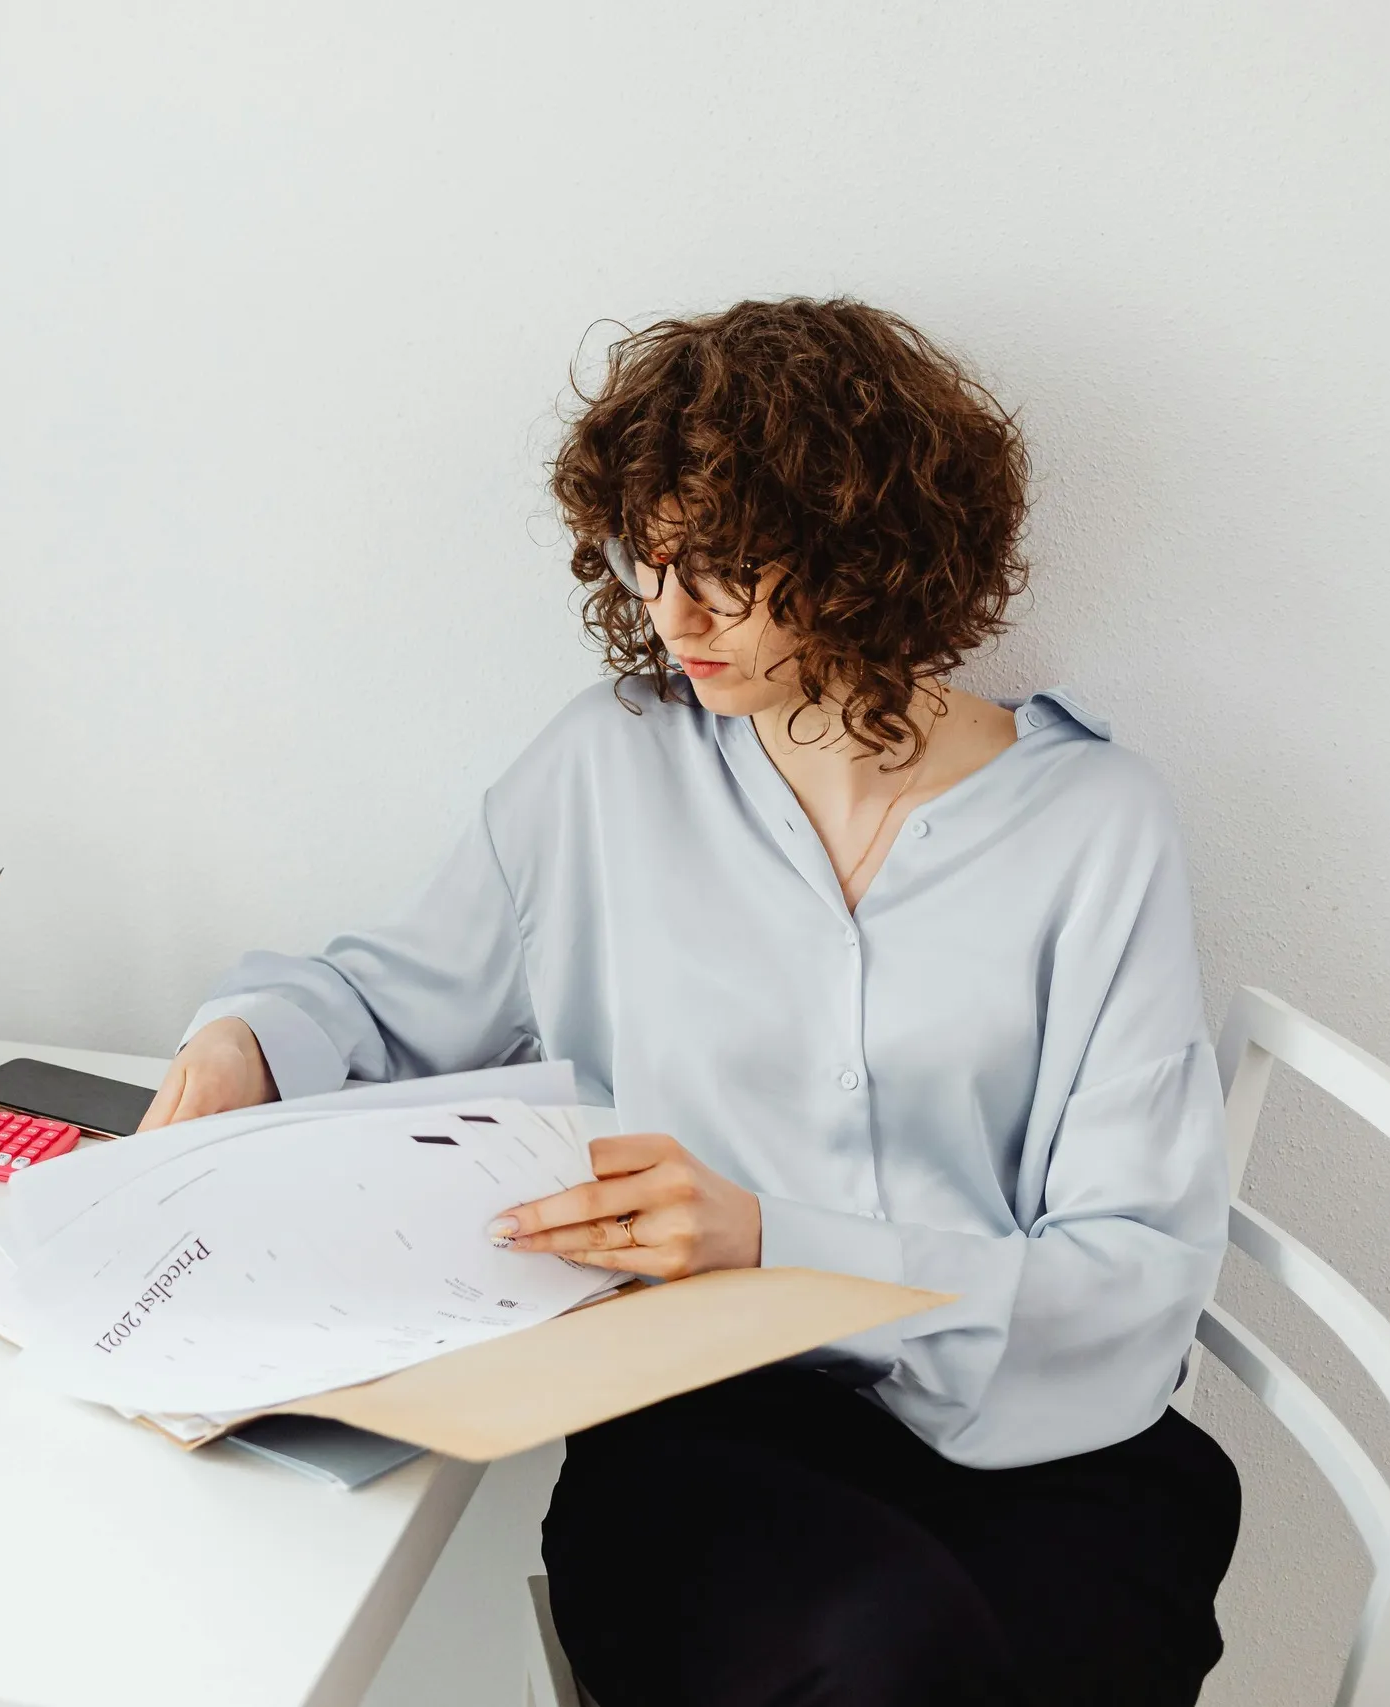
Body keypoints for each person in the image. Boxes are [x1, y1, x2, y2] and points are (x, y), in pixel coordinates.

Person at [138, 298, 1241, 1706]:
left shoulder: (1094, 823)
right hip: (700, 1434)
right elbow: (382, 996)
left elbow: (1136, 1274)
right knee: (892, 1657)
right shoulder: (608, 769)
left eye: (724, 565)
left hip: (1049, 1439)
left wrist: (772, 1236)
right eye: (645, 562)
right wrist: (241, 1038)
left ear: (865, 548)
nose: (675, 615)